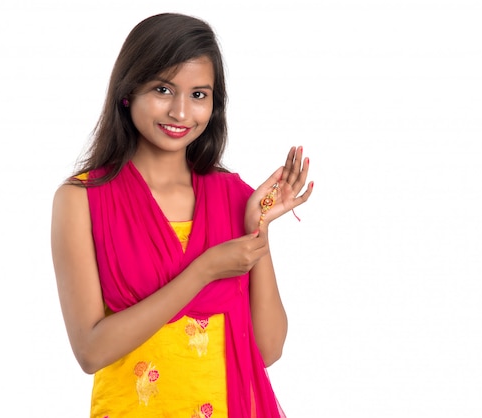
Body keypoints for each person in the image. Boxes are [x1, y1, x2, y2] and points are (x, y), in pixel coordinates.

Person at [51, 12, 313, 418]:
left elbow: (269, 349)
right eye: (162, 89)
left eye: (198, 95)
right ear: (128, 92)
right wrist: (204, 270)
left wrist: (256, 227)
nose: (180, 112)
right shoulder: (81, 199)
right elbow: (90, 351)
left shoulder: (235, 197)